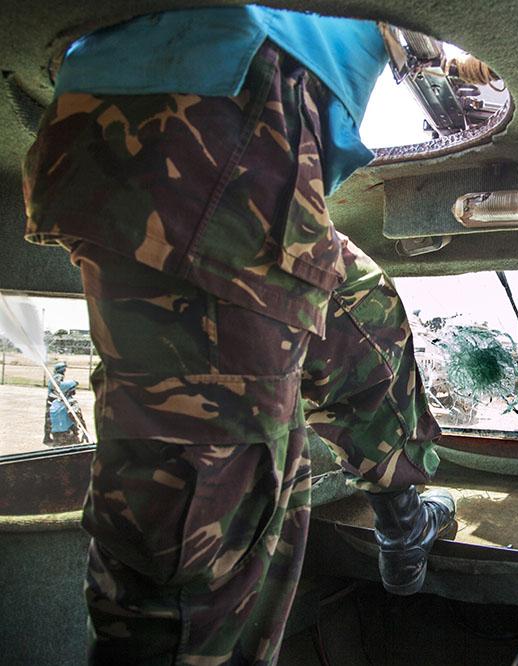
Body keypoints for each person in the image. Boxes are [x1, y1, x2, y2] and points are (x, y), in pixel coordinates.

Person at [22, 6, 455, 663]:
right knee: (194, 554)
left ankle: (401, 518)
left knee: (363, 306)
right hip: (217, 119)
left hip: (228, 138)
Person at [43, 359, 68, 443]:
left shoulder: (54, 376)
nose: (65, 370)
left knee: (48, 418)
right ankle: (50, 437)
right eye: (64, 369)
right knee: (52, 418)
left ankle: (47, 437)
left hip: (50, 398)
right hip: (53, 399)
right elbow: (57, 388)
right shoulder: (59, 377)